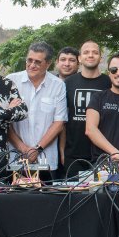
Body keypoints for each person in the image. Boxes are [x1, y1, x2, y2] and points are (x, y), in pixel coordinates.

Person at [7, 41, 67, 181]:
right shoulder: (11, 81)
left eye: (37, 62)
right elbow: (4, 120)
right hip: (15, 157)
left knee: (46, 200)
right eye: (29, 60)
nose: (32, 65)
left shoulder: (58, 85)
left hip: (46, 159)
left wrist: (37, 149)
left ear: (48, 64)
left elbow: (59, 122)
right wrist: (22, 147)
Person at [63, 41, 111, 177]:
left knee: (103, 196)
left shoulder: (109, 83)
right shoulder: (68, 83)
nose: (90, 55)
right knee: (74, 196)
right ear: (79, 58)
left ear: (101, 58)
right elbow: (62, 121)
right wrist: (62, 152)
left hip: (103, 154)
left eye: (95, 52)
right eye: (86, 52)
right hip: (73, 155)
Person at [53, 46, 80, 178]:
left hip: (75, 145)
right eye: (63, 59)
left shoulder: (82, 84)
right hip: (48, 143)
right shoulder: (49, 83)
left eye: (71, 60)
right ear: (57, 62)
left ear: (78, 63)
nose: (67, 64)